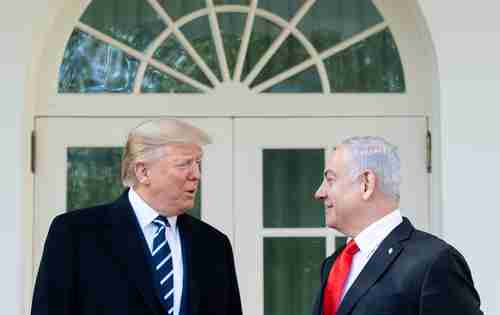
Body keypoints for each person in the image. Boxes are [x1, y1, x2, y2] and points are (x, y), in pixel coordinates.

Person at [32, 119, 242, 315]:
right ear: (143, 172)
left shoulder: (214, 245)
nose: (196, 174)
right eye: (184, 164)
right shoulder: (75, 234)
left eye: (198, 163)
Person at [312, 136, 482, 315]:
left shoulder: (434, 262)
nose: (319, 193)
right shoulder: (333, 265)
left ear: (366, 183)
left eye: (330, 180)